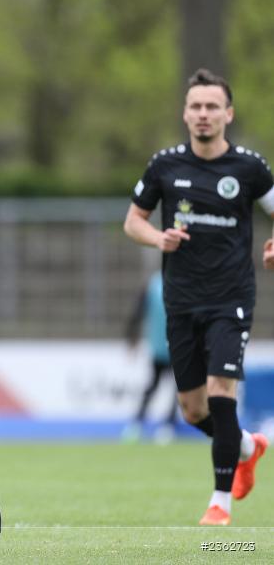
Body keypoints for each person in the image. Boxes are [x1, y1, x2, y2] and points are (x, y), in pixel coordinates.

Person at [124, 68, 274, 526]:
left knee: (220, 391)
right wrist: (157, 239)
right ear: (185, 114)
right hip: (181, 299)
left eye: (212, 106)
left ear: (228, 113)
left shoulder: (249, 167)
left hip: (231, 298)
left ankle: (219, 503)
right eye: (196, 106)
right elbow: (133, 220)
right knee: (193, 410)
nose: (204, 114)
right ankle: (247, 446)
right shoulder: (165, 165)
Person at [121, 270, 179, 444]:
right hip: (169, 347)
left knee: (159, 387)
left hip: (166, 347)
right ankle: (161, 425)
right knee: (166, 387)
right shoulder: (160, 285)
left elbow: (137, 314)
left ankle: (143, 424)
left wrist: (132, 339)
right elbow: (138, 313)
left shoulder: (153, 284)